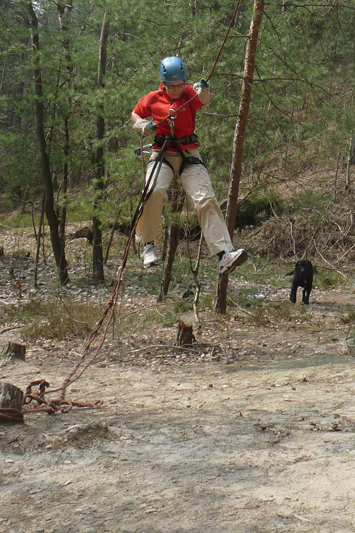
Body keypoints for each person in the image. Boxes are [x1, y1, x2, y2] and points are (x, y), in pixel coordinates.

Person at [131, 56, 247, 274]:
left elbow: (203, 101)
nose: (176, 90)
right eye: (171, 86)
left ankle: (224, 254)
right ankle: (148, 245)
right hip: (162, 152)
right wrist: (144, 126)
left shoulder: (189, 94)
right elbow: (135, 114)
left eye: (180, 84)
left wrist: (204, 90)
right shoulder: (152, 98)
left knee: (205, 198)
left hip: (188, 153)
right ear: (162, 82)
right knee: (152, 190)